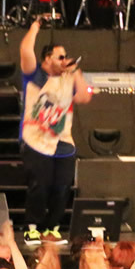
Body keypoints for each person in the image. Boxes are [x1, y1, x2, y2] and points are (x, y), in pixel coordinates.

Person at [19, 17, 92, 246]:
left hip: (63, 142)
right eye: (60, 57)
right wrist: (36, 26)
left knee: (62, 188)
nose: (64, 60)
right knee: (39, 187)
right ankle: (32, 228)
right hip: (36, 140)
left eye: (65, 56)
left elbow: (84, 97)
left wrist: (76, 71)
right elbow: (25, 50)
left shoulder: (68, 78)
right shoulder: (35, 75)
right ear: (47, 58)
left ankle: (53, 228)